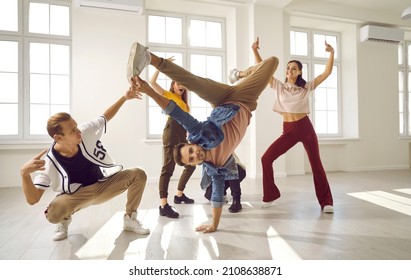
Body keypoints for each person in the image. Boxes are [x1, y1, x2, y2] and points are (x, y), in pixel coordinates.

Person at [127, 41, 279, 233]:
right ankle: (240, 75)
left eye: (191, 150)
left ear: (191, 144)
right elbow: (216, 196)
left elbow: (175, 112)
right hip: (245, 100)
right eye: (191, 158)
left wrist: (149, 90)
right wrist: (214, 224)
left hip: (221, 99)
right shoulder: (216, 169)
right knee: (273, 62)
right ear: (193, 165)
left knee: (193, 82)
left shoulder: (198, 133)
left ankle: (148, 57)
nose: (195, 154)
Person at [20, 85, 150, 241]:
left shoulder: (84, 132)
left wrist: (124, 97)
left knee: (138, 174)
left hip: (103, 185)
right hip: (77, 196)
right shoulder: (49, 162)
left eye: (76, 126)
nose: (78, 131)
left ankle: (130, 219)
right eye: (72, 131)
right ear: (59, 138)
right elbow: (33, 199)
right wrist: (24, 174)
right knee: (54, 214)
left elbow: (104, 117)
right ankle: (63, 220)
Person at [230, 37, 334, 213]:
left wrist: (331, 53)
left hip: (305, 128)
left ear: (300, 72)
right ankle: (270, 196)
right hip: (289, 130)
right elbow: (264, 69)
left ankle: (326, 202)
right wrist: (255, 50)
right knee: (266, 158)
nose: (289, 70)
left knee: (316, 164)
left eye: (294, 68)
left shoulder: (306, 87)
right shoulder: (279, 86)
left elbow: (326, 74)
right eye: (287, 68)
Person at [149, 64, 196, 219]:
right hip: (171, 132)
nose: (181, 85)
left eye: (182, 83)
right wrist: (158, 66)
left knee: (191, 164)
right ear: (173, 86)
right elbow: (152, 83)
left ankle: (179, 195)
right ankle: (163, 205)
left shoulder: (186, 104)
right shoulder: (168, 96)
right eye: (177, 83)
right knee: (168, 168)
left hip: (183, 133)